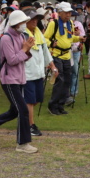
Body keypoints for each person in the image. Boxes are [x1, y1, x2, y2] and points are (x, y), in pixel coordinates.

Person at [0, 10, 37, 153]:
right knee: (22, 110)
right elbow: (12, 60)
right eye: (23, 23)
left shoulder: (20, 36)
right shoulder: (6, 39)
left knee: (15, 110)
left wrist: (27, 49)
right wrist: (25, 49)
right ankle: (22, 143)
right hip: (9, 79)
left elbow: (23, 58)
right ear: (15, 24)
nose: (25, 25)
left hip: (19, 78)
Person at [45, 2, 83, 115]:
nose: (68, 14)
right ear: (59, 13)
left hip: (67, 55)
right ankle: (53, 105)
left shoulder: (70, 23)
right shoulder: (53, 24)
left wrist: (79, 38)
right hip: (57, 55)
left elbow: (69, 38)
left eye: (69, 12)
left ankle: (61, 105)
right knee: (60, 80)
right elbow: (45, 39)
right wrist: (52, 43)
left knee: (67, 80)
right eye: (66, 12)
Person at [22, 9, 56, 137]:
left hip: (39, 72)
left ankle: (20, 114)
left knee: (36, 99)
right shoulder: (22, 35)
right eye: (32, 18)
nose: (35, 21)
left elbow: (45, 50)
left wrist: (52, 66)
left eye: (37, 18)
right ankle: (30, 125)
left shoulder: (38, 33)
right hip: (27, 72)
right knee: (30, 100)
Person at [68, 10, 85, 102]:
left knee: (75, 70)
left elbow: (83, 36)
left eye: (73, 16)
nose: (72, 17)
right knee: (68, 71)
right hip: (67, 50)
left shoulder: (78, 24)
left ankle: (74, 90)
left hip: (75, 50)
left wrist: (79, 35)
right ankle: (67, 91)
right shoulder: (65, 25)